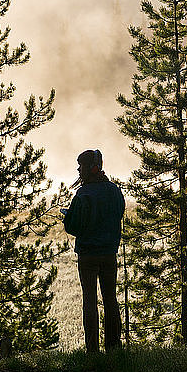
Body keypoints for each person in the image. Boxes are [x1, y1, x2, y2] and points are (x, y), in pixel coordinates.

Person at [62, 149, 125, 353]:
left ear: (91, 168)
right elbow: (118, 214)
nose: (78, 170)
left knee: (90, 301)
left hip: (88, 255)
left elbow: (73, 227)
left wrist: (67, 217)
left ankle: (92, 351)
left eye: (81, 166)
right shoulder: (114, 191)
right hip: (109, 254)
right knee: (110, 299)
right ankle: (113, 348)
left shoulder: (83, 194)